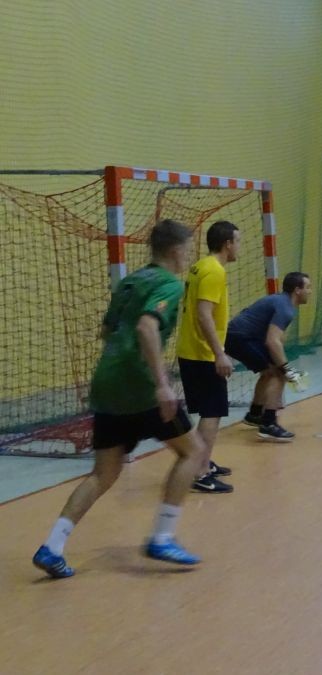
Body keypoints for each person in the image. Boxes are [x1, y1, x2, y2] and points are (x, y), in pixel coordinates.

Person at [32, 219, 205, 578]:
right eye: (188, 250)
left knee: (103, 473)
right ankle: (162, 537)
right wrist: (162, 384)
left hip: (107, 384)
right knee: (194, 452)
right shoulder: (169, 284)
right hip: (139, 386)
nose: (188, 256)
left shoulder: (131, 281)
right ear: (176, 250)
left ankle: (52, 547)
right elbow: (146, 326)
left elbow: (107, 329)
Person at [176, 220, 240, 493]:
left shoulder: (200, 266)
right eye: (238, 242)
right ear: (227, 244)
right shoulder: (214, 271)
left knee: (208, 410)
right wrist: (219, 354)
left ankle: (202, 461)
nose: (239, 247)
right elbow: (204, 314)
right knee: (212, 412)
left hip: (191, 350)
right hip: (202, 353)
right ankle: (200, 472)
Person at [225, 272, 312, 442]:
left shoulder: (281, 301)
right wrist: (286, 369)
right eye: (308, 287)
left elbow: (276, 339)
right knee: (278, 374)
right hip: (240, 338)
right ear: (297, 290)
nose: (310, 291)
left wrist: (282, 364)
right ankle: (268, 424)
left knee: (269, 371)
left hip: (237, 336)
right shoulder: (285, 308)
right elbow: (272, 341)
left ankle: (255, 414)